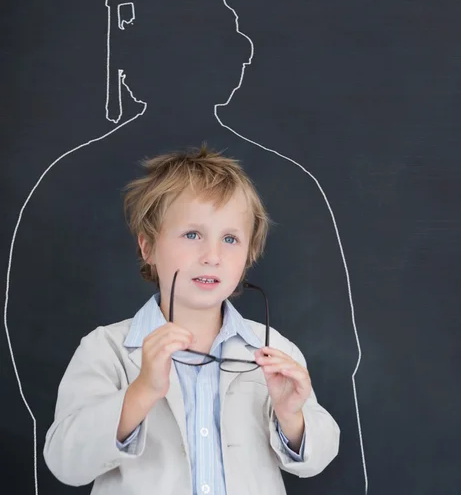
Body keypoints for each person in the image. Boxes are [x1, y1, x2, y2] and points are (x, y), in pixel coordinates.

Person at [43, 145, 340, 495]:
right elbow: (65, 462)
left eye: (230, 239)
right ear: (147, 248)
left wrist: (291, 417)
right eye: (192, 235)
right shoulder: (105, 349)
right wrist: (141, 391)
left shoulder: (274, 350)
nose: (212, 256)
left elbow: (319, 457)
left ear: (248, 256)